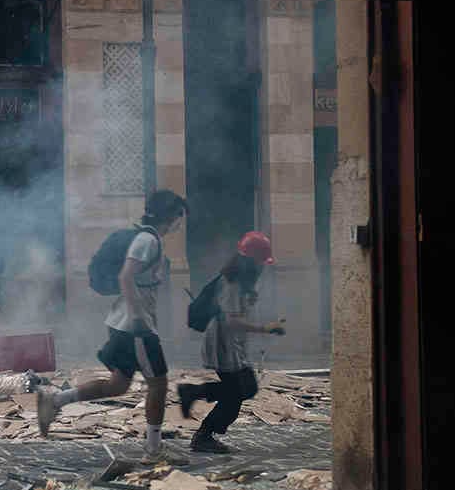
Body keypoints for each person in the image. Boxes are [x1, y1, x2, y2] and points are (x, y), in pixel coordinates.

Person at [37, 189, 189, 464]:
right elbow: (125, 277)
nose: (181, 222)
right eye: (180, 215)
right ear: (171, 216)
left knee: (117, 385)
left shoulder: (149, 239)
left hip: (124, 323)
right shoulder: (147, 241)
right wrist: (140, 318)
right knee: (158, 383)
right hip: (135, 327)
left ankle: (55, 401)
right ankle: (154, 450)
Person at [177, 231, 287, 454]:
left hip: (232, 344)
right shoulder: (233, 282)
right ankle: (202, 433)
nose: (262, 267)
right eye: (260, 261)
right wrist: (265, 328)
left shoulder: (240, 281)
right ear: (252, 260)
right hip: (223, 344)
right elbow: (232, 321)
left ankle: (194, 395)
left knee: (244, 389)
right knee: (238, 392)